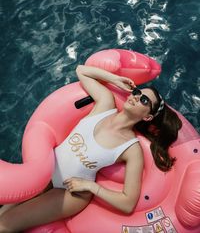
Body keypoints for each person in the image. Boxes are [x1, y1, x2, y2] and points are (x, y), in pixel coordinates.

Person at [0, 65, 182, 232]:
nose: (135, 97)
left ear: (148, 117)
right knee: (3, 213)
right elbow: (81, 70)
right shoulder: (105, 105)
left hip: (71, 193)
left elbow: (128, 203)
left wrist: (91, 186)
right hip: (46, 172)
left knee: (5, 224)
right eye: (136, 92)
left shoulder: (131, 149)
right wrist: (116, 79)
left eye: (143, 100)